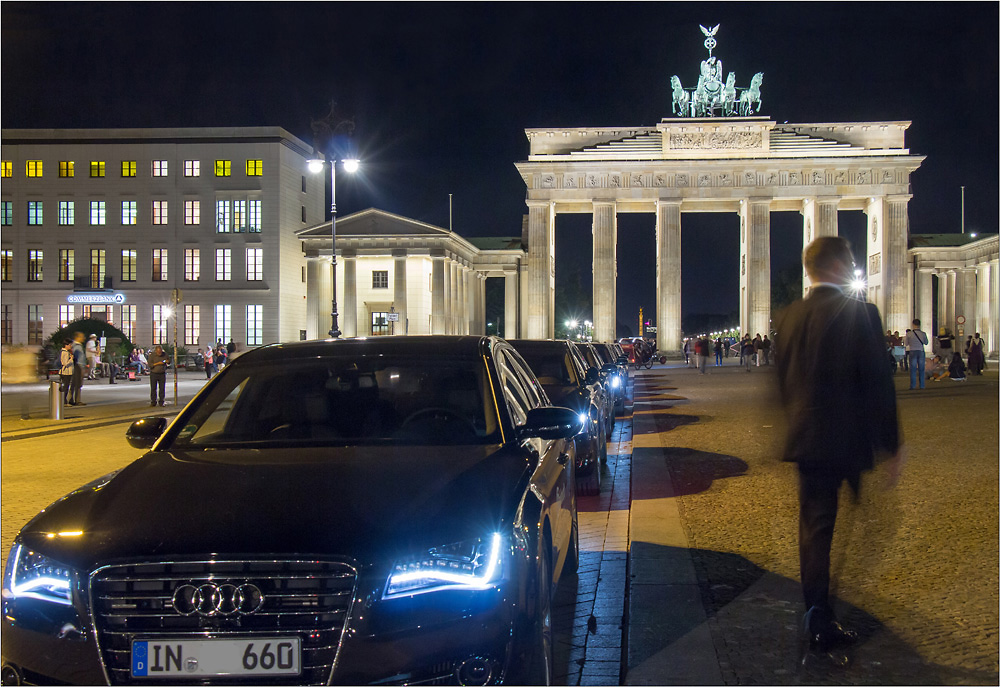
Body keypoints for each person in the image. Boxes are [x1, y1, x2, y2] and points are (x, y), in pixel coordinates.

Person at [775, 237, 902, 660]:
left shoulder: (789, 317)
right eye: (849, 262)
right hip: (847, 441)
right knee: (865, 525)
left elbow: (782, 381)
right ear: (834, 267)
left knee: (816, 531)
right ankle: (825, 612)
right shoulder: (861, 314)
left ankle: (817, 609)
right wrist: (891, 445)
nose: (853, 268)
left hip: (807, 441)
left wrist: (795, 422)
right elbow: (879, 384)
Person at [905, 320, 929, 390]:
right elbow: (926, 342)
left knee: (913, 369)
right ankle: (922, 385)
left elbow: (906, 343)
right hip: (921, 351)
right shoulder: (923, 333)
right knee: (921, 369)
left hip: (912, 351)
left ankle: (913, 385)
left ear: (913, 324)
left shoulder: (909, 334)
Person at [70, 332, 86, 405]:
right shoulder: (77, 346)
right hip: (78, 366)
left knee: (73, 383)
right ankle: (77, 400)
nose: (83, 338)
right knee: (78, 384)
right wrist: (82, 367)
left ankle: (70, 399)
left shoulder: (72, 345)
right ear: (77, 337)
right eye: (82, 336)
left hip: (74, 366)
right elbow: (78, 358)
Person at [59, 339, 75, 405]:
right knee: (66, 387)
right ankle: (64, 402)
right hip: (66, 372)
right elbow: (65, 363)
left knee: (66, 386)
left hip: (65, 372)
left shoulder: (63, 351)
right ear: (66, 345)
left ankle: (64, 401)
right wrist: (71, 359)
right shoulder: (65, 352)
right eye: (70, 344)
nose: (71, 346)